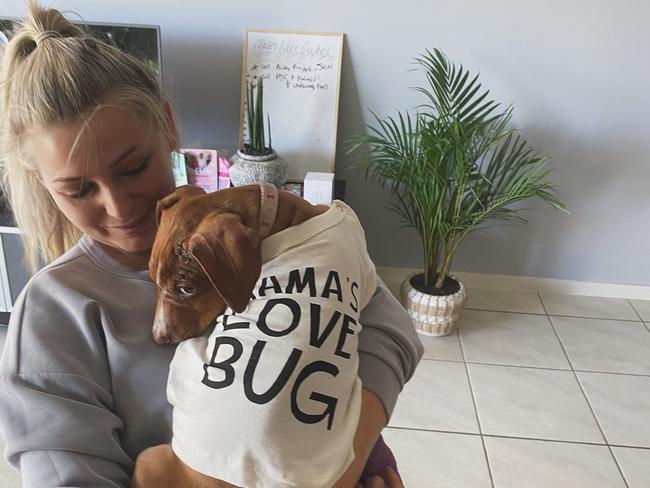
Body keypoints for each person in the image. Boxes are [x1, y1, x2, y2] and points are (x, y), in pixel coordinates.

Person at [0, 3, 423, 488]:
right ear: (42, 181)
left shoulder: (259, 236)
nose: (118, 207)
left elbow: (388, 331)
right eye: (79, 190)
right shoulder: (55, 311)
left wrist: (342, 467)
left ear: (167, 124)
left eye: (133, 167)